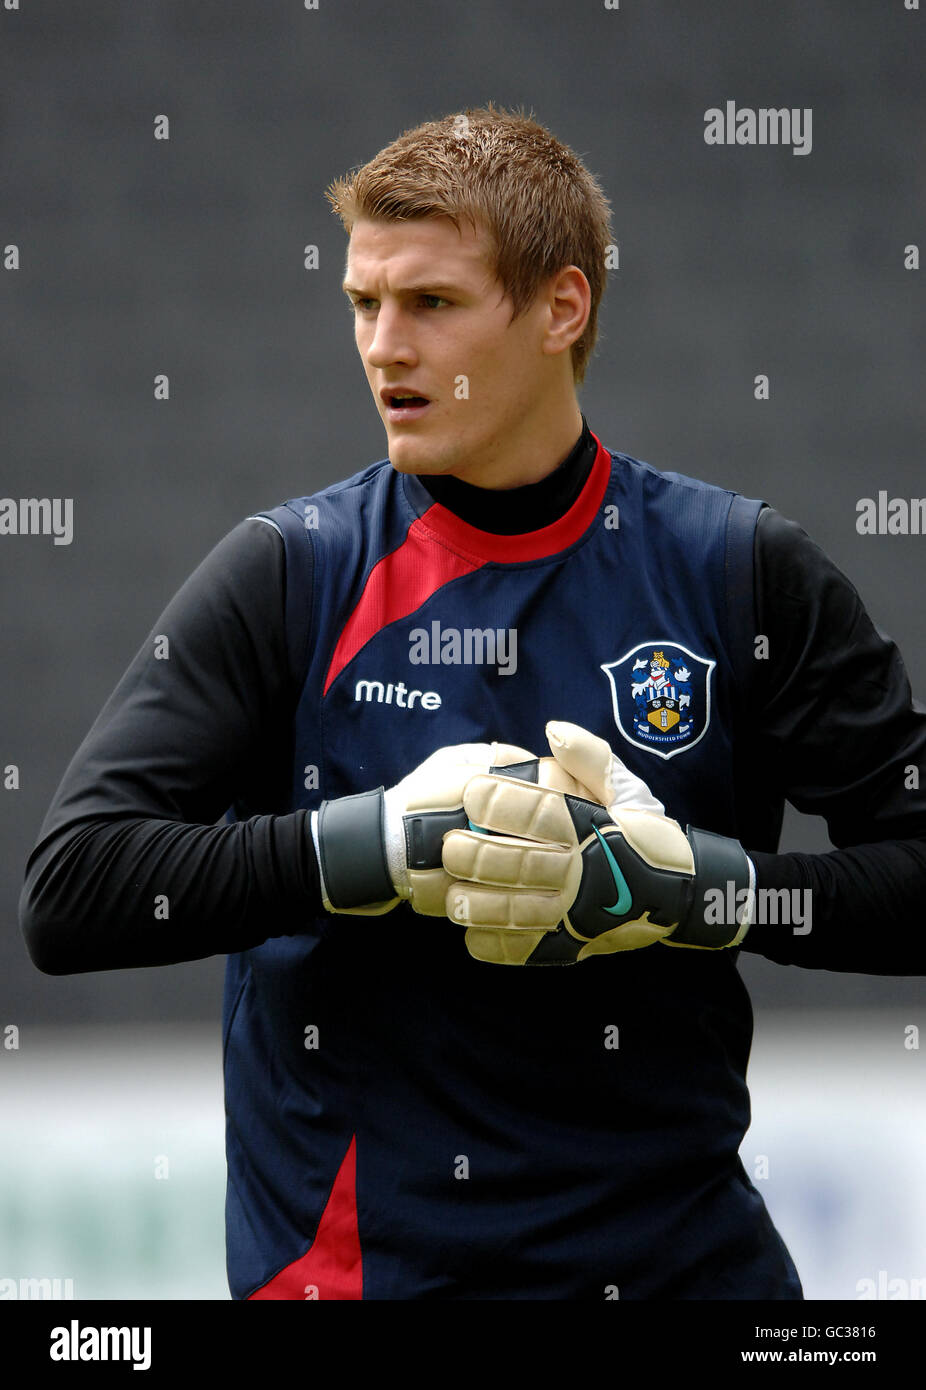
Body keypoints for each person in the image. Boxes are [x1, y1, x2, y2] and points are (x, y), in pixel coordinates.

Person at [20, 104, 926, 1301]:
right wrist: (382, 845)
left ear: (561, 307)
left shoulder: (735, 567)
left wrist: (688, 891)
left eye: (429, 304)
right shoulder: (290, 572)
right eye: (362, 303)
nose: (383, 346)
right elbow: (71, 891)